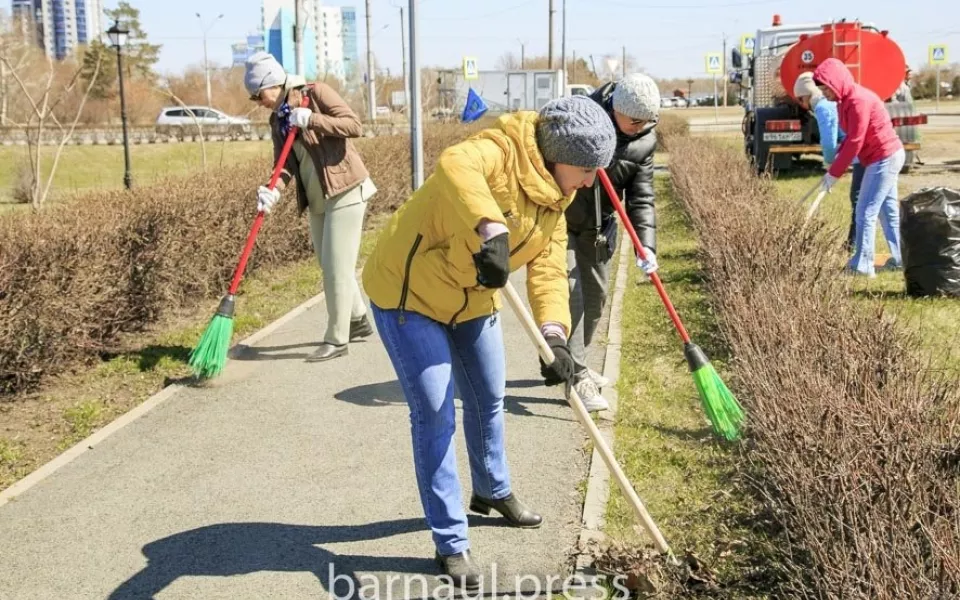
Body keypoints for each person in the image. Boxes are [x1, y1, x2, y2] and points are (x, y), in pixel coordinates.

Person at [361, 96, 617, 589]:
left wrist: (555, 339)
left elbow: (546, 274)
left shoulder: (555, 204)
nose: (589, 182)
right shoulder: (500, 149)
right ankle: (451, 541)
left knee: (487, 397)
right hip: (407, 295)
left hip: (472, 301)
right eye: (586, 169)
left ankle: (492, 490)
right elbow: (455, 163)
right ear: (559, 153)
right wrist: (491, 226)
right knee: (435, 410)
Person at [244, 51, 377, 361]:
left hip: (346, 189)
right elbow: (284, 163)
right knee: (329, 265)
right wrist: (273, 189)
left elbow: (354, 124)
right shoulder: (276, 118)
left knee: (336, 268)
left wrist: (312, 119)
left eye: (258, 93)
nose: (258, 100)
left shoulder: (315, 93)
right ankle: (357, 320)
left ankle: (337, 338)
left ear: (274, 83)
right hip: (318, 199)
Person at [540, 73, 661, 412]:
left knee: (596, 297)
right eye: (634, 120)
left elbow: (642, 197)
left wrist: (647, 245)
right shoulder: (583, 118)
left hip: (599, 227)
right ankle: (576, 376)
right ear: (613, 108)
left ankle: (573, 357)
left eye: (646, 121)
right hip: (560, 217)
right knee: (571, 295)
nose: (639, 127)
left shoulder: (643, 141)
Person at [814, 58, 905, 277]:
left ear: (836, 82)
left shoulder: (857, 100)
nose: (824, 93)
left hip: (884, 157)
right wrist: (835, 163)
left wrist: (835, 173)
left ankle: (863, 266)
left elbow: (856, 140)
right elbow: (849, 139)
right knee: (887, 210)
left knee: (865, 210)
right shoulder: (843, 101)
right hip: (882, 157)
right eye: (822, 90)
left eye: (826, 88)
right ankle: (902, 258)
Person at [794, 71, 864, 250]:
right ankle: (854, 242)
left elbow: (828, 140)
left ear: (807, 94)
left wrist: (830, 163)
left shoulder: (823, 107)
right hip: (857, 151)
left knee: (859, 199)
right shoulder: (827, 104)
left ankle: (853, 244)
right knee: (863, 199)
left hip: (862, 153)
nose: (802, 105)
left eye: (801, 99)